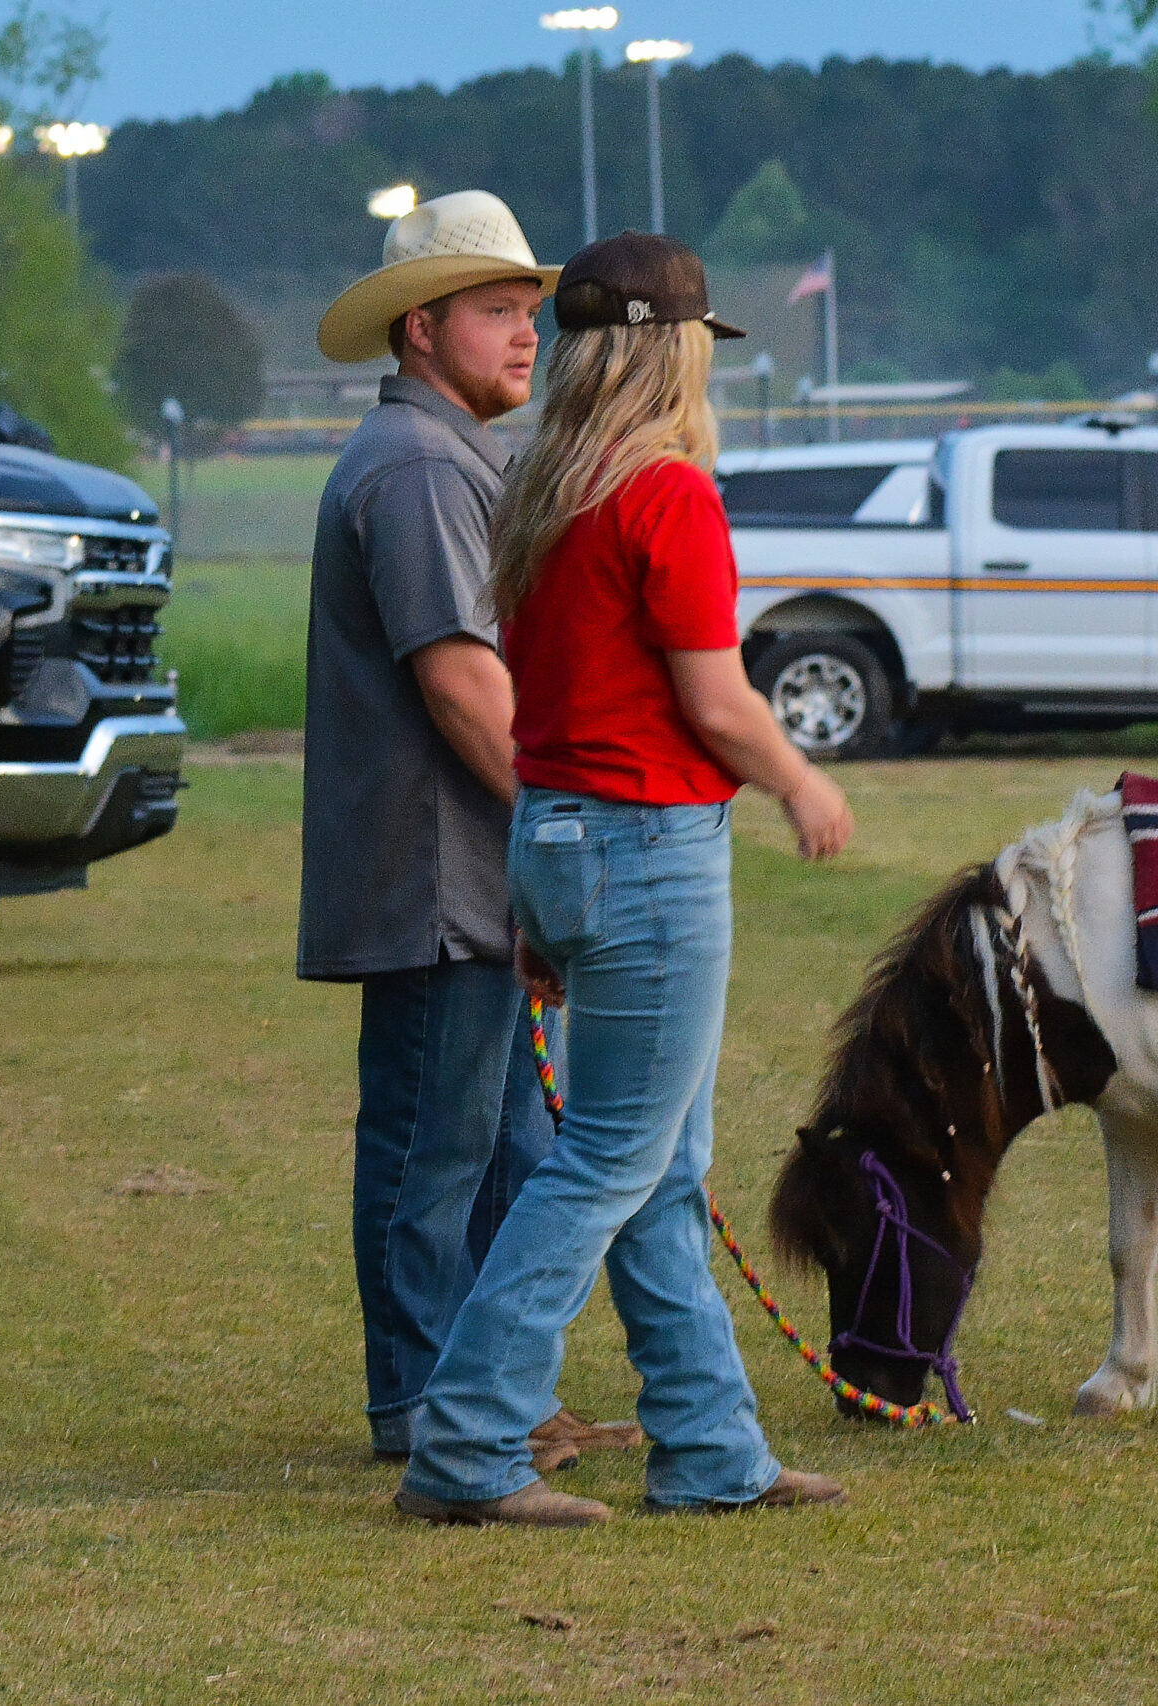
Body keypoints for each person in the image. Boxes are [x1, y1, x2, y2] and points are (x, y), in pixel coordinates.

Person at [396, 232, 856, 1529]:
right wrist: (801, 779)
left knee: (658, 1162)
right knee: (609, 1159)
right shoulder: (667, 496)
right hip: (649, 849)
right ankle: (469, 1438)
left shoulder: (543, 489)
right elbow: (715, 700)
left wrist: (549, 906)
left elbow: (550, 697)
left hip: (557, 832)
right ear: (674, 353)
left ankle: (709, 1447)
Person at [303, 190, 639, 1469]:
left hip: (467, 870)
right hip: (437, 873)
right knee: (433, 1145)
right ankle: (423, 1401)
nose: (526, 336)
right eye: (497, 311)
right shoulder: (420, 468)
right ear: (421, 329)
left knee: (511, 1144)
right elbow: (459, 678)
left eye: (528, 312)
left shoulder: (446, 461)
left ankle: (493, 1390)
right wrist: (571, 813)